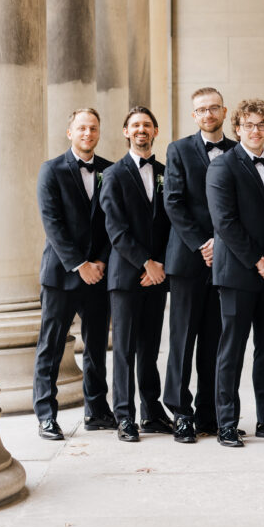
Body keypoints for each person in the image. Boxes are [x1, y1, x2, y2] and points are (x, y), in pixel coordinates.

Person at [205, 98, 264, 448]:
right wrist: (257, 262)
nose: (255, 131)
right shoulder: (223, 167)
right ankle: (226, 422)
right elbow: (224, 222)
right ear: (237, 128)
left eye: (262, 125)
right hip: (238, 273)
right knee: (231, 350)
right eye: (248, 125)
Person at [33, 108, 114, 440]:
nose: (87, 133)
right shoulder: (51, 170)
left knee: (96, 346)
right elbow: (52, 223)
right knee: (51, 346)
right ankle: (46, 416)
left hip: (99, 274)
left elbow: (114, 222)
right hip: (62, 274)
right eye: (81, 128)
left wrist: (103, 262)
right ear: (70, 132)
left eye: (93, 128)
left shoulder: (110, 170)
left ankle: (96, 410)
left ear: (98, 132)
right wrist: (80, 264)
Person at [163, 87, 236, 443]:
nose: (207, 114)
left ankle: (211, 413)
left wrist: (222, 246)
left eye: (213, 108)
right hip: (189, 261)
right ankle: (180, 412)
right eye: (201, 110)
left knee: (215, 341)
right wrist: (203, 244)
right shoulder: (177, 150)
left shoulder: (238, 151)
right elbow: (174, 203)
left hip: (228, 262)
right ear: (194, 116)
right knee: (182, 339)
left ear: (224, 111)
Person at [100, 107, 172, 442]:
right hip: (127, 277)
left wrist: (161, 265)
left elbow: (171, 223)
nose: (141, 130)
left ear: (155, 131)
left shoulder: (165, 172)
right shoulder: (113, 175)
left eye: (147, 125)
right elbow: (116, 229)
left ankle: (153, 412)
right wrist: (146, 263)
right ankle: (125, 417)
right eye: (135, 126)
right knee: (125, 349)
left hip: (157, 276)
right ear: (126, 132)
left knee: (150, 347)